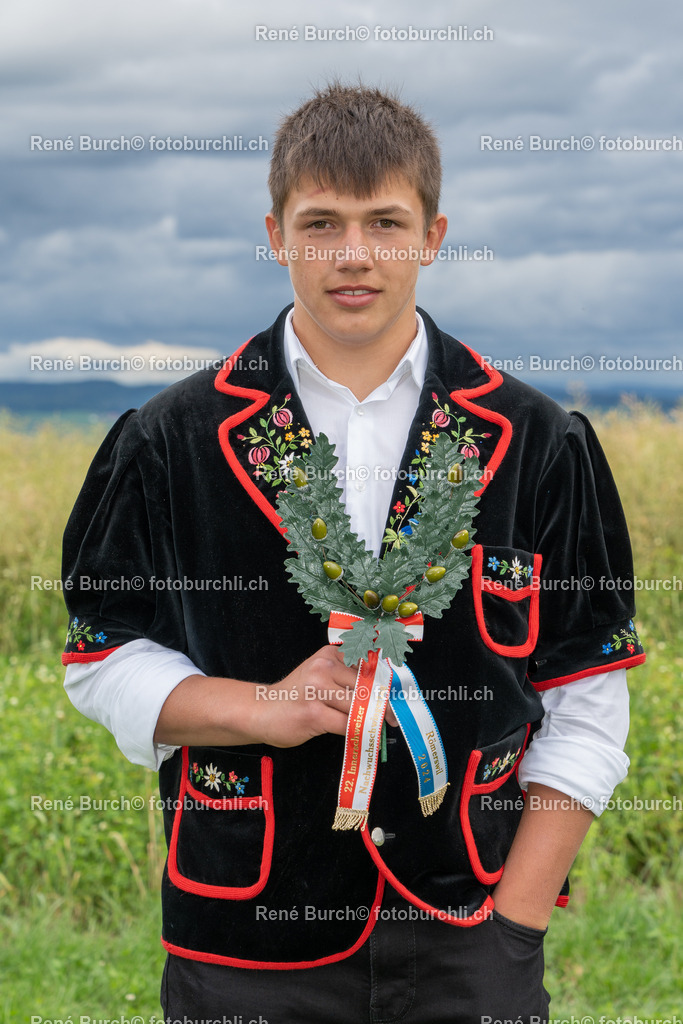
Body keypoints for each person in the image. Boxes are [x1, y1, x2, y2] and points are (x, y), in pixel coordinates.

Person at [61, 83, 645, 1024]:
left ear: (433, 233)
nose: (354, 255)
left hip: (468, 926)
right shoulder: (170, 438)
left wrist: (514, 925)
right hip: (244, 928)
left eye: (385, 222)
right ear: (275, 232)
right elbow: (100, 655)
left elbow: (588, 693)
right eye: (321, 222)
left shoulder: (538, 440)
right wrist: (266, 707)